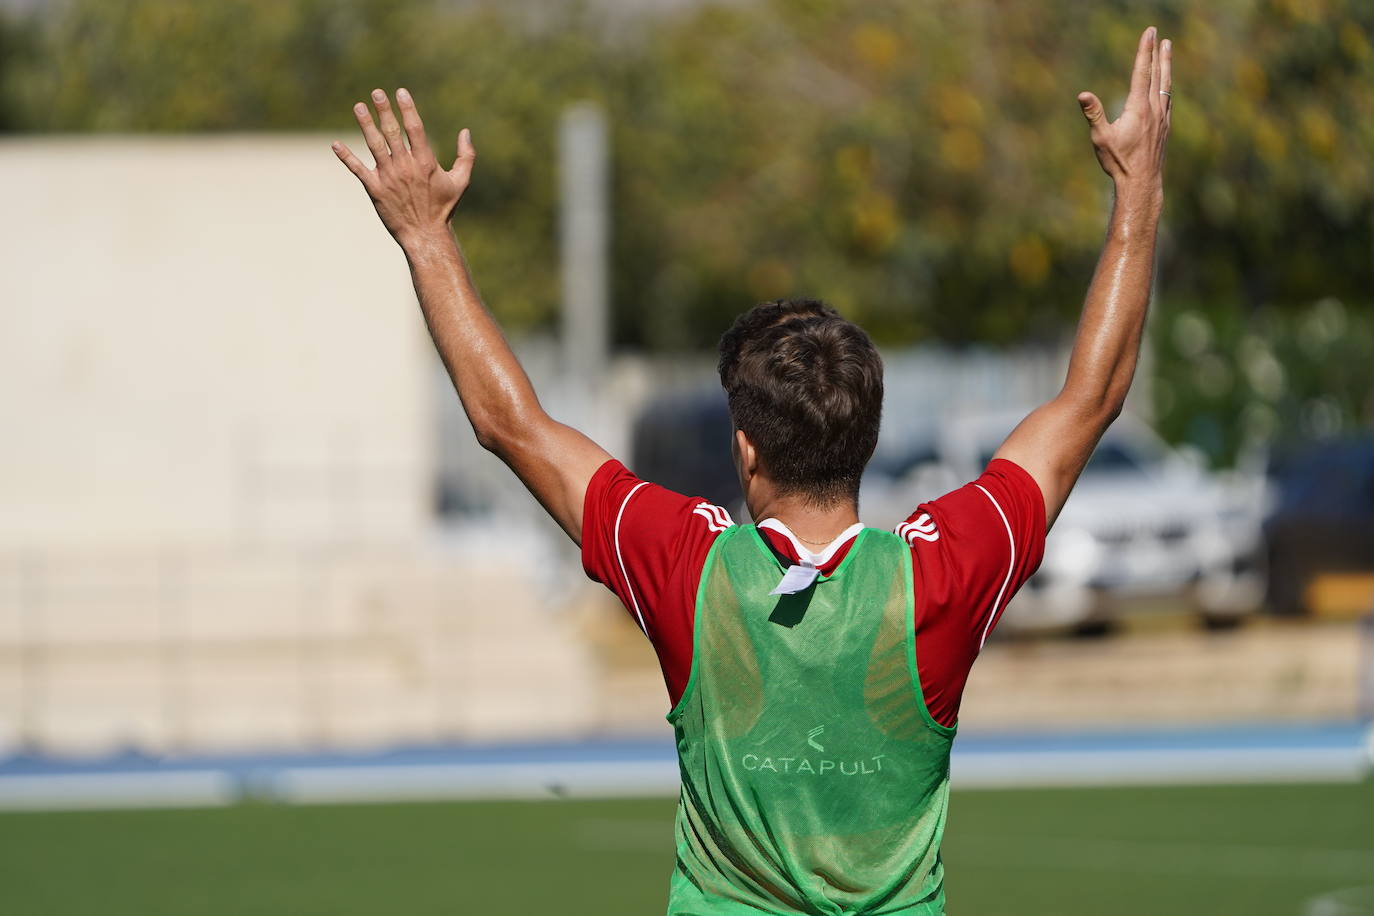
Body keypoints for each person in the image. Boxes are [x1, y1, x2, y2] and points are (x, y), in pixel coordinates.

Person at [332, 24, 1171, 916]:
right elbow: (1092, 398)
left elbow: (510, 424)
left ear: (746, 447)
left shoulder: (691, 570)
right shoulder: (940, 574)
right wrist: (1138, 193)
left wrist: (425, 236)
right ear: (870, 436)